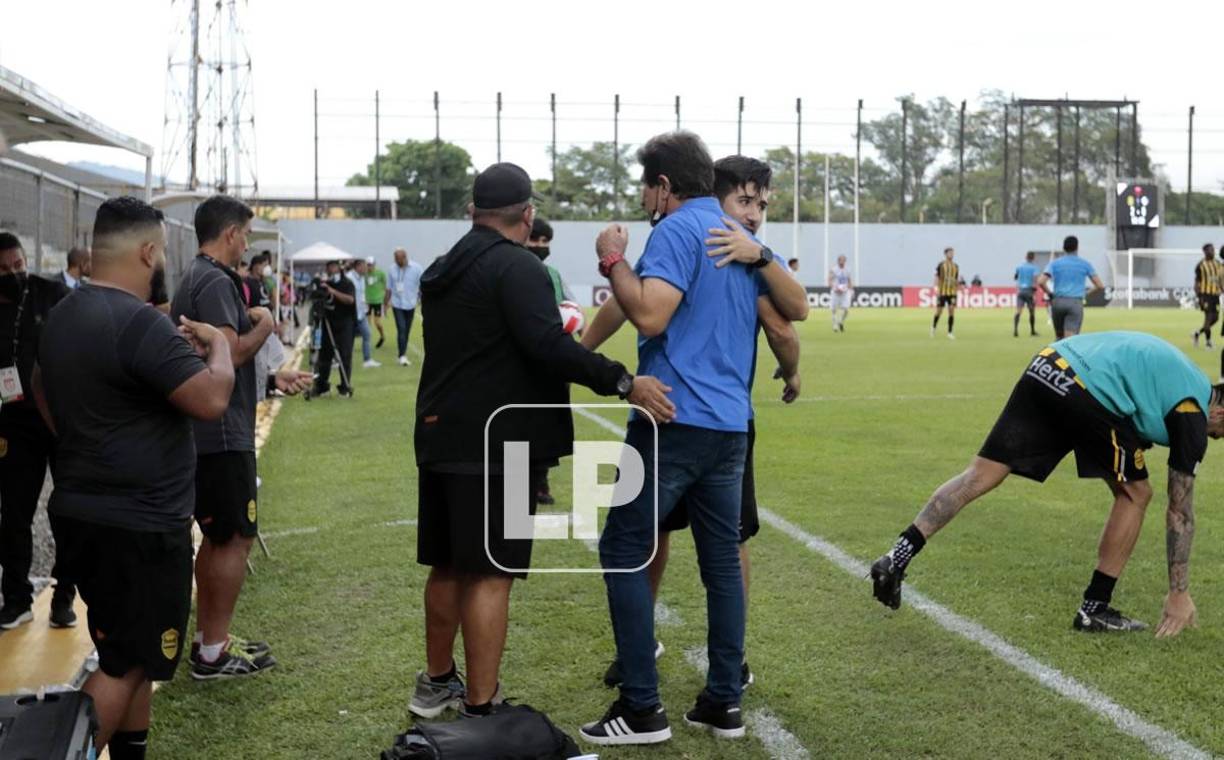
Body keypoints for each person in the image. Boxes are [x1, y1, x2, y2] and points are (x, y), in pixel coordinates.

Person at [409, 162, 673, 722]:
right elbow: (547, 346)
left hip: (440, 433)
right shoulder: (517, 267)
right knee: (489, 572)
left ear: (472, 213)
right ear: (528, 216)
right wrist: (623, 381)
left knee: (448, 564)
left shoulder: (442, 267)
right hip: (499, 439)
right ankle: (482, 705)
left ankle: (436, 683)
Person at [581, 154, 805, 697]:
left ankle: (645, 681)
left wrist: (612, 263)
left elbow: (786, 316)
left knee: (645, 543)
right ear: (717, 193)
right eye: (745, 201)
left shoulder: (717, 242)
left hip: (675, 417)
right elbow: (632, 306)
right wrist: (580, 354)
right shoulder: (720, 239)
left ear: (664, 187)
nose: (752, 214)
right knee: (720, 551)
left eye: (760, 205)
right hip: (725, 422)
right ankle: (722, 681)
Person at [36, 195, 236, 756]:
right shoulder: (139, 323)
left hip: (83, 512)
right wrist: (219, 344)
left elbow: (39, 386)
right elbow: (212, 397)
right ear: (149, 251)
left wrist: (91, 437)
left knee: (132, 654)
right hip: (139, 528)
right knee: (124, 667)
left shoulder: (61, 315)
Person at [870, 331, 1220, 638]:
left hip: (1049, 365)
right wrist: (1179, 592)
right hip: (1089, 389)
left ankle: (896, 558)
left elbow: (1137, 395)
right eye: (1221, 434)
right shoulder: (1193, 414)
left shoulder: (1189, 382)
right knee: (1135, 493)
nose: (1216, 439)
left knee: (981, 474)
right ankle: (1094, 609)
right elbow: (1180, 512)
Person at [171, 194, 311, 680]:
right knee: (234, 538)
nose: (247, 243)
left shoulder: (198, 276)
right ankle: (212, 652)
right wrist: (267, 323)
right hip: (222, 435)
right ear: (231, 233)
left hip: (210, 431)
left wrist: (273, 381)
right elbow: (225, 354)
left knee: (218, 536)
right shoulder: (212, 280)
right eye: (246, 234)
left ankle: (211, 641)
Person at [0, 232, 75, 630]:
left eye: (19, 265)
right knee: (14, 514)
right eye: (5, 270)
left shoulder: (52, 294)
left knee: (66, 511)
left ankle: (64, 596)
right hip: (14, 424)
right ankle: (16, 598)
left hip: (59, 420)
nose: (15, 274)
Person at [1036, 235, 1103, 340]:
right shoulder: (1085, 264)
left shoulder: (1055, 263)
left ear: (1064, 248)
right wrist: (1085, 294)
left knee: (1059, 338)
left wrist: (1050, 293)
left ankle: (1054, 356)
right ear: (1077, 247)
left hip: (1057, 302)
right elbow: (1099, 285)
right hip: (1075, 302)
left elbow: (1040, 281)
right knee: (1070, 339)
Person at [312, 259, 357, 395]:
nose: (331, 269)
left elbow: (350, 300)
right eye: (329, 267)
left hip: (345, 323)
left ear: (339, 267)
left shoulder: (347, 283)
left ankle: (345, 386)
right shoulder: (326, 283)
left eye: (333, 266)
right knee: (324, 356)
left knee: (345, 355)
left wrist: (332, 291)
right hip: (328, 322)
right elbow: (316, 297)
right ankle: (322, 386)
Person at [387, 247, 423, 366]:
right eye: (395, 259)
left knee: (406, 330)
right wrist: (385, 303)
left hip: (410, 303)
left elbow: (422, 284)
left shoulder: (416, 268)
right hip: (397, 303)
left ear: (405, 257)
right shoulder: (392, 269)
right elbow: (389, 288)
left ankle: (402, 353)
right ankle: (402, 355)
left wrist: (421, 298)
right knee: (401, 329)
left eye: (399, 259)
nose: (397, 261)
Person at [349, 258, 379, 368]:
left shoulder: (361, 278)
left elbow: (361, 295)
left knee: (367, 334)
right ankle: (342, 360)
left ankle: (367, 360)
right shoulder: (350, 278)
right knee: (348, 339)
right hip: (351, 315)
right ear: (357, 267)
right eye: (364, 266)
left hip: (361, 314)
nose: (366, 268)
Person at [1191, 243, 1222, 349]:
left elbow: (1220, 279)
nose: (1213, 252)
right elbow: (1197, 282)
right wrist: (1199, 297)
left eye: (1213, 250)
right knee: (1208, 318)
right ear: (1205, 252)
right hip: (1205, 296)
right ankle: (1208, 343)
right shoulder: (1201, 265)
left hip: (1215, 296)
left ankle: (1197, 334)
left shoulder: (1217, 263)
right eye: (1210, 250)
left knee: (1216, 319)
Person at [931, 247, 959, 340]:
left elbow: (955, 279)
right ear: (946, 254)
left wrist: (957, 286)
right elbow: (936, 276)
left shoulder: (956, 266)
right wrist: (935, 287)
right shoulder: (941, 265)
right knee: (939, 311)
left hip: (952, 292)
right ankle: (933, 327)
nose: (951, 254)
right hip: (942, 292)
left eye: (952, 253)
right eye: (950, 253)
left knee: (951, 310)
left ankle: (950, 332)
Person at [1014, 251, 1040, 338]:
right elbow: (1035, 279)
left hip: (1020, 290)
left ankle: (1015, 330)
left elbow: (1015, 277)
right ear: (1033, 258)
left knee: (1018, 311)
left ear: (1026, 257)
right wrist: (1034, 291)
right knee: (1031, 311)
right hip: (1029, 291)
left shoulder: (1019, 267)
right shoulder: (1034, 268)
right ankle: (1032, 331)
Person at [364, 257, 387, 348]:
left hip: (378, 300)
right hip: (367, 301)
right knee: (367, 323)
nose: (369, 267)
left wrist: (385, 300)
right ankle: (367, 341)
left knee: (377, 323)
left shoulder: (380, 273)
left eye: (371, 265)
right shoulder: (364, 274)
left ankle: (382, 336)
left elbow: (385, 286)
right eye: (368, 265)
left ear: (374, 264)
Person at [828, 254, 853, 332]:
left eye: (843, 260)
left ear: (845, 261)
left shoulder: (847, 270)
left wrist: (851, 289)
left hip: (845, 292)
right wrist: (834, 288)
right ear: (838, 261)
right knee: (834, 309)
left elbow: (849, 281)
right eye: (840, 260)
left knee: (846, 309)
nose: (842, 262)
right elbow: (829, 280)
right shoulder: (833, 269)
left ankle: (840, 322)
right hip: (836, 292)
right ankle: (835, 326)